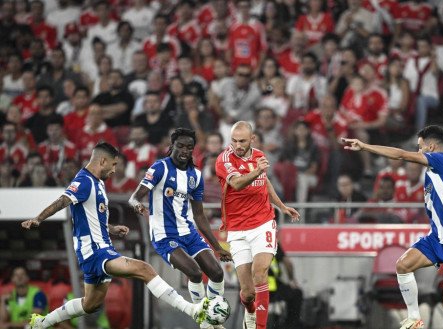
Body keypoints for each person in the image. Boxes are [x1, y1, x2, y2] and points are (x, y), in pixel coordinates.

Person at [22, 142, 208, 329]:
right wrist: (39, 218)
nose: (114, 170)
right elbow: (63, 201)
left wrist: (111, 228)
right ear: (102, 160)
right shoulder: (84, 181)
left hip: (99, 248)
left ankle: (42, 323)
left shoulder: (98, 183)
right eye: (113, 164)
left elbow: (91, 217)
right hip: (95, 250)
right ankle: (191, 310)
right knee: (144, 269)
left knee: (90, 304)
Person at [343, 125, 443, 329]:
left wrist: (365, 147)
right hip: (437, 238)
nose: (418, 151)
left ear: (431, 147)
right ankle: (414, 318)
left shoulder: (441, 160)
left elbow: (402, 155)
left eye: (420, 147)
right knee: (403, 265)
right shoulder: (437, 170)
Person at [128, 128, 232, 329]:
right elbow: (134, 197)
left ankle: (211, 313)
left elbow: (199, 215)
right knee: (194, 272)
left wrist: (217, 247)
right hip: (164, 235)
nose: (185, 150)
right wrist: (138, 206)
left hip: (189, 232)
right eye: (181, 146)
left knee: (217, 272)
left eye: (189, 147)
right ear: (172, 146)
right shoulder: (159, 168)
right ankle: (206, 322)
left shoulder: (196, 175)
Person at [215, 121, 300, 329]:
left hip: (263, 223)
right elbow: (236, 183)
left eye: (242, 141)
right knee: (247, 292)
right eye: (234, 140)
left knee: (260, 273)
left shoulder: (259, 155)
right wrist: (258, 171)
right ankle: (250, 312)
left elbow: (265, 181)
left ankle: (259, 328)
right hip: (236, 229)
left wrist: (281, 206)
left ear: (252, 139)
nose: (237, 145)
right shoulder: (224, 159)